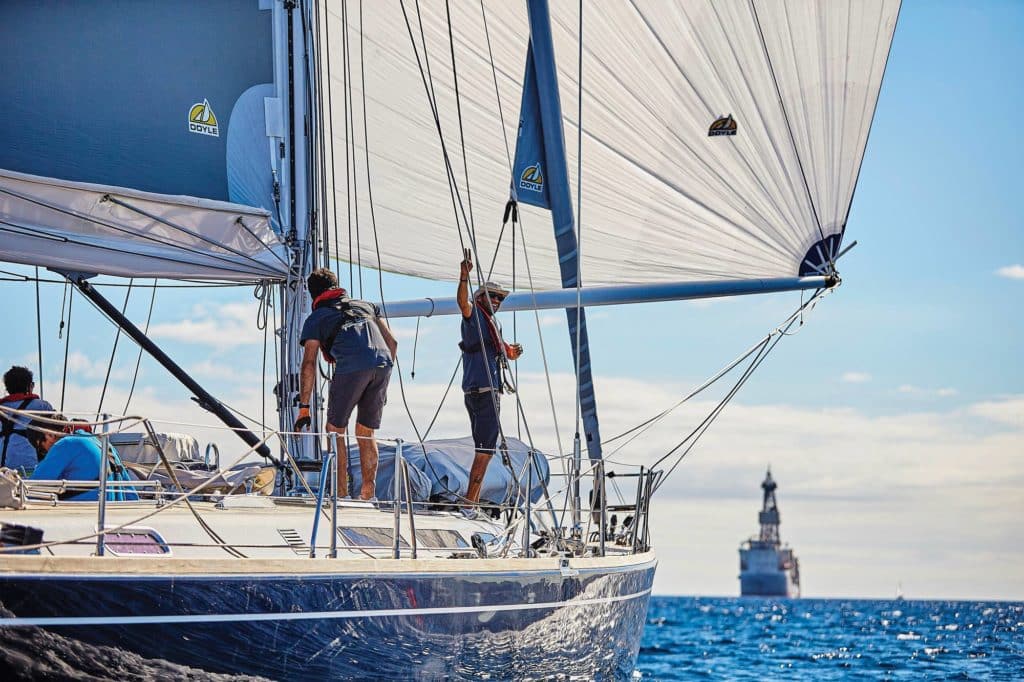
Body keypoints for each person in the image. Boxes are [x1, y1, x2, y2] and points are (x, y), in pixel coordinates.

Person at [296, 268, 397, 500]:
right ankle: (367, 495)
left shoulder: (317, 318)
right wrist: (382, 381)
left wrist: (304, 407)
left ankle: (340, 497)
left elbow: (309, 363)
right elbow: (392, 342)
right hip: (383, 364)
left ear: (313, 295)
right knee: (365, 432)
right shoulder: (366, 306)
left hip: (352, 365)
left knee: (335, 431)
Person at [457, 249, 523, 507]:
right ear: (479, 297)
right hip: (485, 390)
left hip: (475, 389)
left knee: (483, 447)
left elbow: (498, 349)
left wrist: (510, 352)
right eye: (492, 296)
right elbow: (463, 304)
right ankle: (470, 502)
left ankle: (470, 500)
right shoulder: (474, 315)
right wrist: (464, 277)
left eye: (500, 298)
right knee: (486, 449)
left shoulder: (490, 325)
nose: (496, 300)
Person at [30, 419, 138, 501]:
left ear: (49, 435)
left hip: (83, 516)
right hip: (114, 516)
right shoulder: (105, 445)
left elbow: (34, 487)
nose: (44, 453)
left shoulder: (65, 444)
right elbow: (131, 494)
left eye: (40, 448)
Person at [1, 366, 55, 471]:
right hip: (29, 469)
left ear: (7, 388)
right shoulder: (42, 407)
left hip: (2, 472)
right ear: (29, 386)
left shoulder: (1, 408)